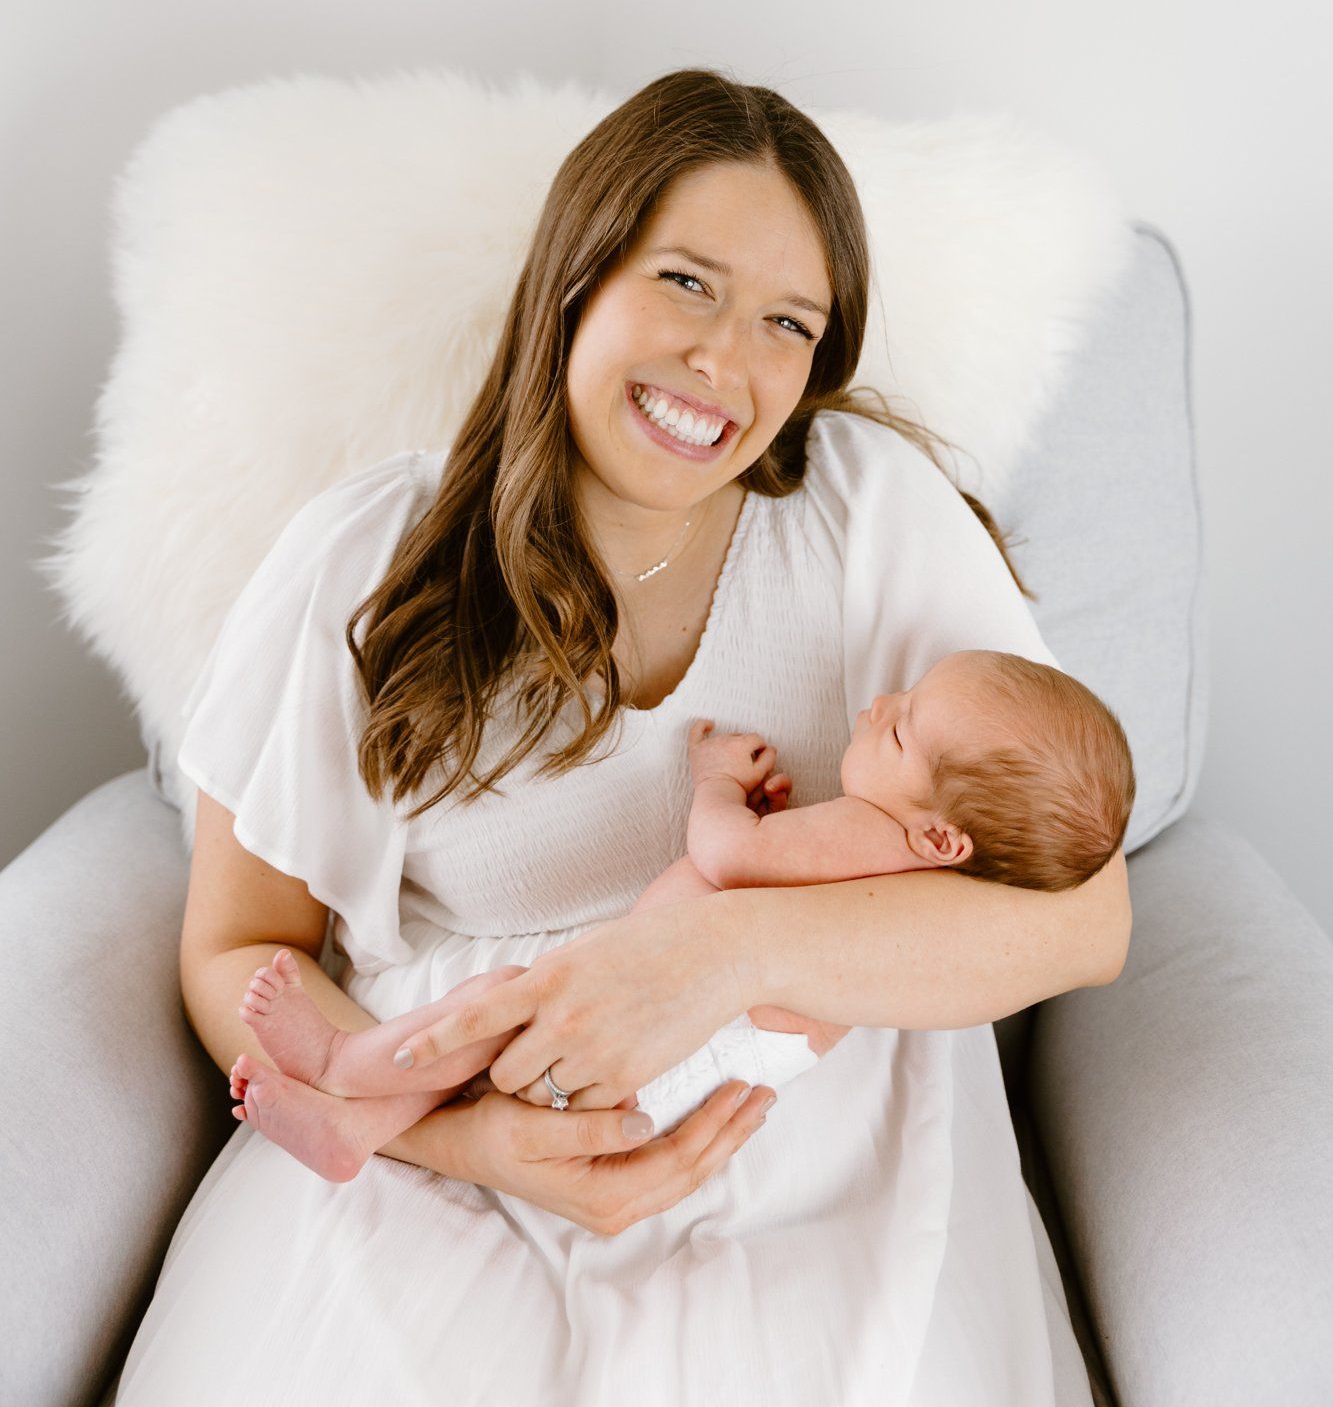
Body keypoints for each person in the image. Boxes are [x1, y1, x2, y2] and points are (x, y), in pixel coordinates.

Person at [114, 69, 1130, 1406]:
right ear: (575, 276)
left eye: (788, 321)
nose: (726, 360)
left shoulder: (872, 511)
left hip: (812, 1170)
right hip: (440, 1162)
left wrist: (728, 949)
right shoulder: (367, 558)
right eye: (687, 282)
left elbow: (1082, 918)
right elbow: (238, 950)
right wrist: (467, 1143)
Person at [223, 649, 1135, 1172]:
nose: (877, 704)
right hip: (712, 1057)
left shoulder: (869, 834)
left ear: (941, 839)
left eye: (899, 728)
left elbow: (728, 858)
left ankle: (347, 1060)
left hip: (683, 1033)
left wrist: (713, 787)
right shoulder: (910, 861)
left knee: (500, 1007)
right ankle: (357, 1126)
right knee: (488, 1065)